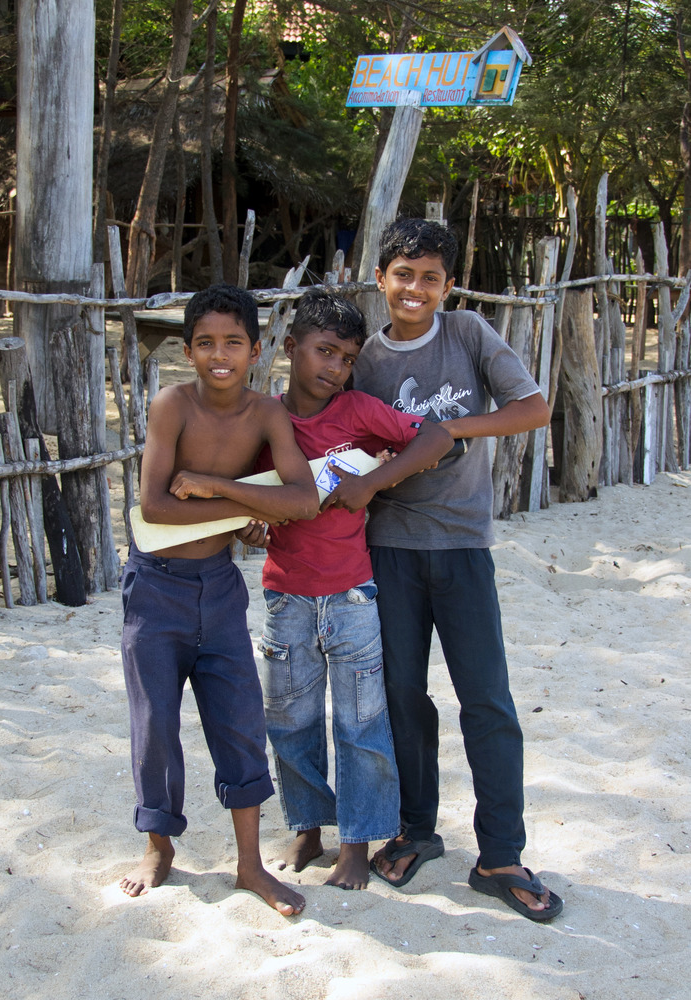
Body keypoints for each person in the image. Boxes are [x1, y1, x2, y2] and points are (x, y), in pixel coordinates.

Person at [352, 218, 563, 921]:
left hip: (464, 547)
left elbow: (533, 408)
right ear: (381, 278)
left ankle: (500, 852)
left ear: (448, 286)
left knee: (489, 701)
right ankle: (416, 831)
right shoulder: (365, 360)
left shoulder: (468, 334)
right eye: (403, 275)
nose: (415, 289)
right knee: (405, 696)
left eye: (430, 278)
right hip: (389, 548)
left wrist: (452, 430)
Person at [119, 284, 319, 916]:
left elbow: (304, 499)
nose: (220, 354)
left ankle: (250, 865)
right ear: (187, 351)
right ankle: (158, 847)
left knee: (239, 724)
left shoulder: (266, 414)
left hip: (221, 592)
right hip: (155, 591)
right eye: (205, 343)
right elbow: (154, 505)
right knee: (155, 726)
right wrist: (242, 511)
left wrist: (212, 490)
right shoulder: (171, 407)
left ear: (256, 351)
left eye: (233, 341)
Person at [254, 287, 454, 890]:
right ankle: (309, 826)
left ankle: (355, 844)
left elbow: (436, 438)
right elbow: (245, 489)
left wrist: (374, 483)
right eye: (323, 352)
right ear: (290, 348)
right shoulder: (265, 418)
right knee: (291, 721)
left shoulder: (361, 411)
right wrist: (250, 519)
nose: (334, 369)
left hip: (352, 595)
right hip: (284, 594)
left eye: (345, 357)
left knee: (362, 725)